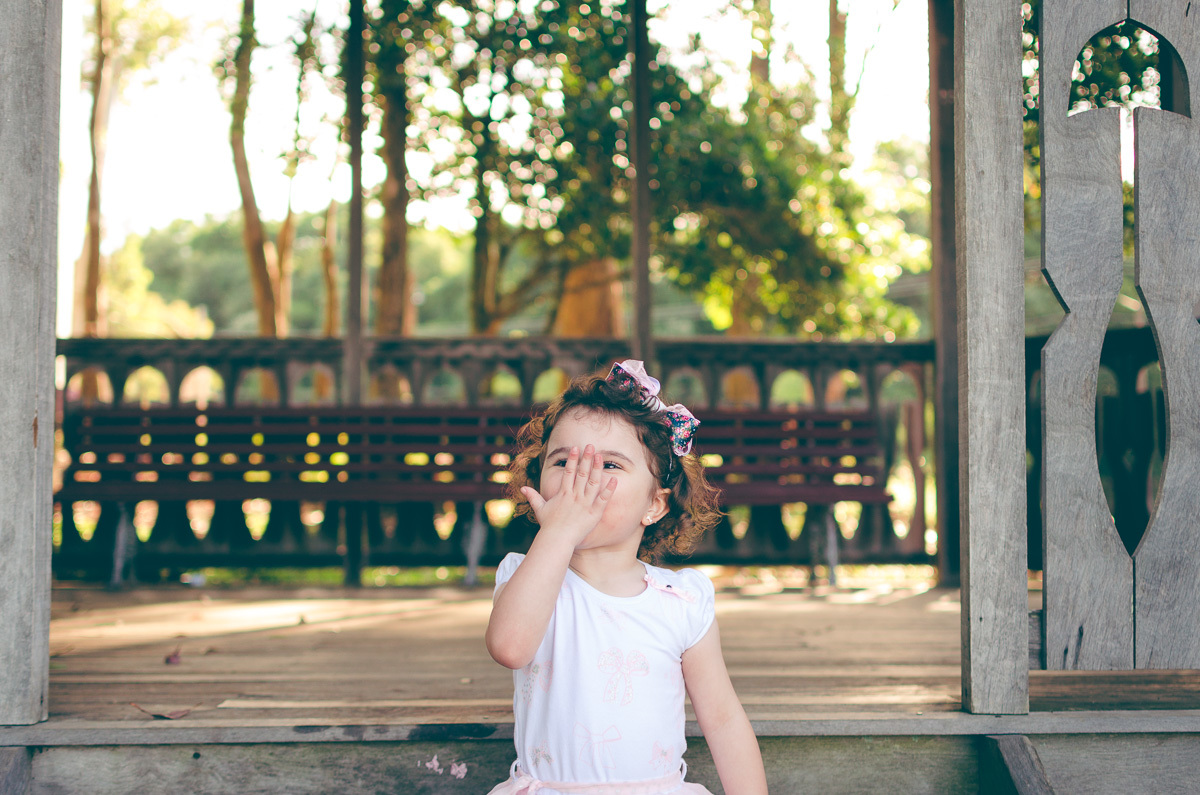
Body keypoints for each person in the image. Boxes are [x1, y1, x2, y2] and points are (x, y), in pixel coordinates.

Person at [486, 360, 768, 795]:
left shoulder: (680, 602)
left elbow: (724, 719)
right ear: (538, 481)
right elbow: (509, 647)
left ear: (653, 506)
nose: (583, 478)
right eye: (563, 461)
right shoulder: (524, 578)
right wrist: (558, 533)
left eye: (611, 466)